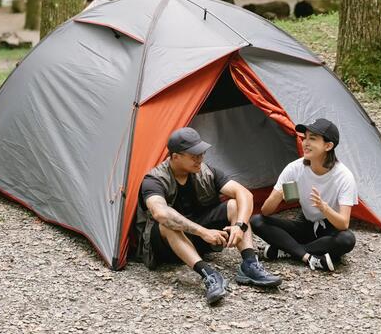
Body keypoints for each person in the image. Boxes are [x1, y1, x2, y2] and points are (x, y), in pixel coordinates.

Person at [134, 127, 282, 305]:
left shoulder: (206, 171)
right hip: (166, 246)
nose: (200, 159)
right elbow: (161, 213)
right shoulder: (154, 180)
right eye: (194, 155)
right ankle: (209, 274)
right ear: (175, 157)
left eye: (202, 153)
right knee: (167, 222)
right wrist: (203, 232)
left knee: (235, 205)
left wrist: (240, 225)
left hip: (201, 238)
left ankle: (250, 264)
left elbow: (244, 194)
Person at [250, 118, 357, 272]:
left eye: (312, 139)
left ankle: (287, 251)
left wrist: (324, 208)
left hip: (329, 230)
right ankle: (308, 257)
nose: (305, 142)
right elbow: (265, 212)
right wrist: (278, 195)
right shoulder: (294, 168)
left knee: (347, 239)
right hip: (305, 225)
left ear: (328, 145)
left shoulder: (344, 176)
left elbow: (343, 224)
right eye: (304, 138)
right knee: (257, 221)